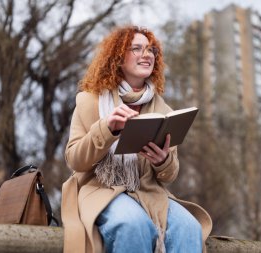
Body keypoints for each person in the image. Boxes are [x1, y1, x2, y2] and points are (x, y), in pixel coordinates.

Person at [61, 25, 212, 253]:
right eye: (137, 49)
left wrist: (162, 161)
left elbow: (170, 175)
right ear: (118, 59)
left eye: (151, 50)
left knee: (189, 227)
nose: (147, 54)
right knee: (133, 224)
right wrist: (107, 129)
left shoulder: (163, 109)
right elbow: (75, 160)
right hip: (102, 189)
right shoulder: (89, 101)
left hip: (150, 192)